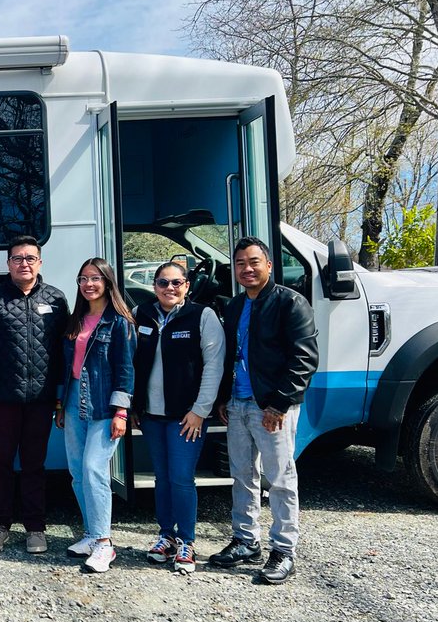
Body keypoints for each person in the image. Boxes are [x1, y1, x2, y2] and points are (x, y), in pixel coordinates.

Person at [209, 237, 319, 584]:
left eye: (254, 262)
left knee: (281, 479)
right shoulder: (234, 306)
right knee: (243, 476)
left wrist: (280, 403)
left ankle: (284, 550)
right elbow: (231, 356)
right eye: (240, 263)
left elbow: (304, 358)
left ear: (269, 265)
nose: (247, 268)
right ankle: (246, 541)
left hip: (272, 407)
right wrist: (224, 398)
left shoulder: (290, 303)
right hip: (238, 405)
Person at [0, 236, 68, 554]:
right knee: (1, 464)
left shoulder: (56, 299)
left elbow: (64, 351)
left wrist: (62, 396)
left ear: (39, 262)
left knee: (35, 465)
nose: (24, 263)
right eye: (17, 258)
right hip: (2, 398)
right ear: (8, 264)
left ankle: (35, 528)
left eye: (30, 258)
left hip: (41, 398)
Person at [131, 262, 225, 575]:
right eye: (162, 283)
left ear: (186, 285)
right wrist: (134, 405)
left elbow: (214, 366)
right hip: (152, 415)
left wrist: (200, 410)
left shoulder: (202, 316)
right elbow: (131, 362)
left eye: (176, 282)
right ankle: (165, 536)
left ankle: (187, 541)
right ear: (154, 285)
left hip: (187, 416)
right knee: (162, 477)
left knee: (182, 478)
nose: (169, 288)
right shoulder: (140, 314)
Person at [56, 258, 136, 574]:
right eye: (83, 279)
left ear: (108, 282)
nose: (89, 284)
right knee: (77, 471)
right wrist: (61, 405)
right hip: (74, 401)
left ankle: (104, 543)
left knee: (94, 469)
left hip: (104, 405)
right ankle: (90, 534)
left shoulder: (119, 322)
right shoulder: (76, 320)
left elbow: (126, 369)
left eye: (95, 278)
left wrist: (121, 411)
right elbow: (66, 367)